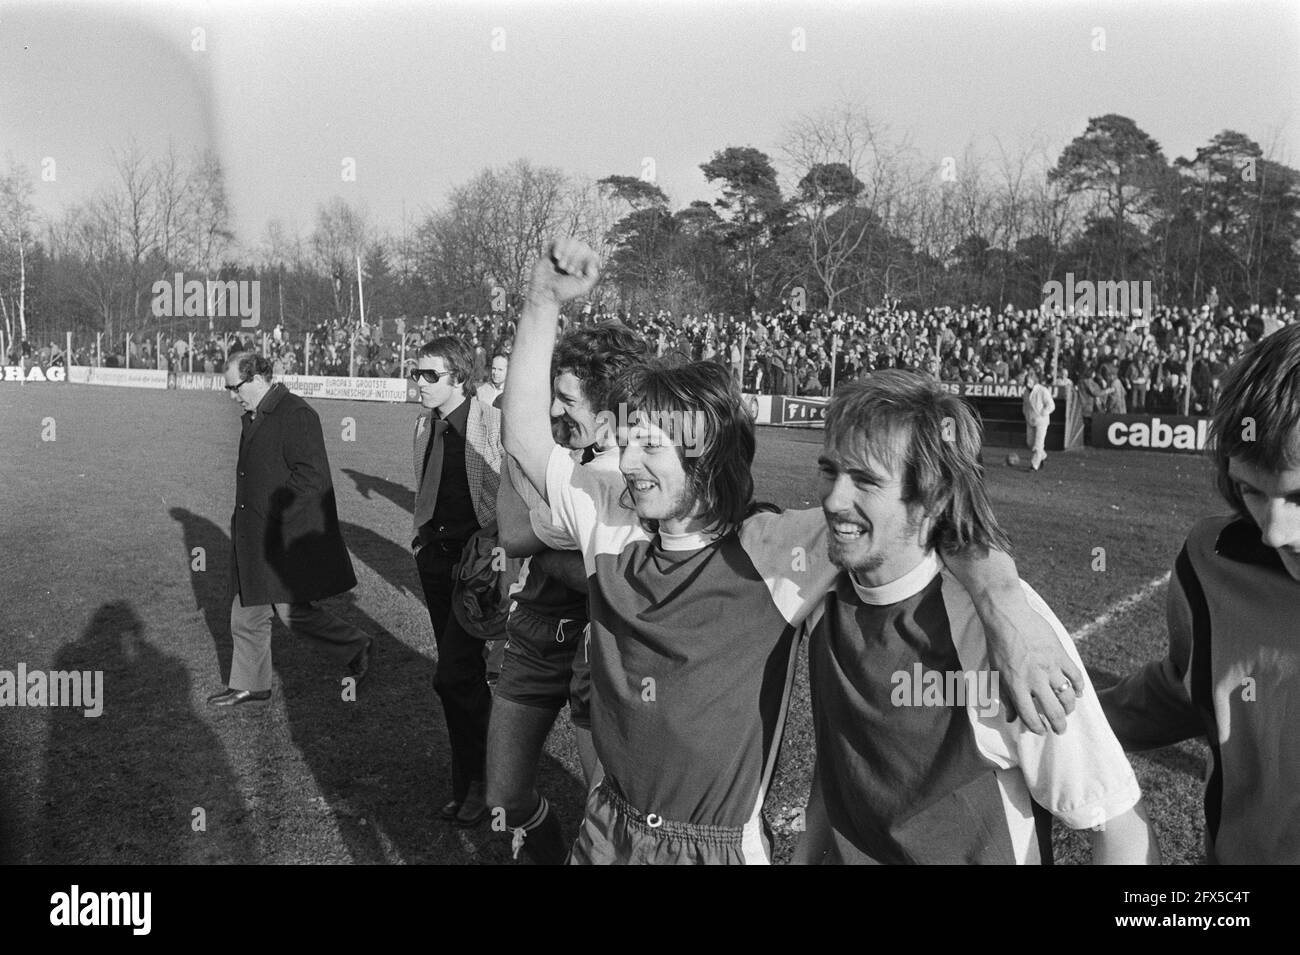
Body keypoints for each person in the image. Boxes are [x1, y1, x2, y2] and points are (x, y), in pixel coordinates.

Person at [504, 238, 1082, 865]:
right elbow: (528, 441)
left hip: (711, 849)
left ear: (705, 456)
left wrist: (1005, 606)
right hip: (605, 822)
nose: (628, 462)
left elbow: (922, 516)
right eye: (626, 441)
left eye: (651, 444)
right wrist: (541, 302)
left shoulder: (777, 549)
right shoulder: (606, 512)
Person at [793, 372, 1159, 864]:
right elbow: (838, 771)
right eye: (829, 470)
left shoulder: (1003, 635)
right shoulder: (817, 588)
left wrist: (1002, 597)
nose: (835, 500)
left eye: (865, 480)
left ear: (933, 499)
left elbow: (1117, 825)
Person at [1100, 323, 1300, 863]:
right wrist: (1071, 724)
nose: (1275, 532)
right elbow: (1188, 687)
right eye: (1252, 490)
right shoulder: (1214, 561)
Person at [488, 322, 648, 864]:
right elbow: (523, 537)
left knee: (606, 812)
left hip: (601, 647)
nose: (555, 412)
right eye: (552, 397)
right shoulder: (571, 461)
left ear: (610, 406)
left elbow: (513, 534)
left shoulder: (620, 473)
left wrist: (517, 453)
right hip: (538, 630)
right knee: (504, 797)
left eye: (567, 399)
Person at [208, 354, 374, 707]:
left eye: (234, 387)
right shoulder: (256, 415)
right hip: (254, 534)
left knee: (289, 611)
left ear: (256, 379)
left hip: (280, 536)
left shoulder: (296, 414)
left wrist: (275, 515)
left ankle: (355, 644)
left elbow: (312, 478)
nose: (231, 395)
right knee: (247, 608)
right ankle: (251, 683)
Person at [410, 337, 502, 826]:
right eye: (417, 373)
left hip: (476, 569)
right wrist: (422, 541)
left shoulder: (491, 425)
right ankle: (472, 782)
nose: (419, 383)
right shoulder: (427, 422)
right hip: (435, 563)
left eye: (430, 376)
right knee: (460, 677)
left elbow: (513, 492)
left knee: (453, 676)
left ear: (460, 378)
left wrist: (495, 553)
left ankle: (485, 783)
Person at [1021, 369, 1056, 471]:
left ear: (1034, 380)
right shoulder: (1025, 392)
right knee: (1030, 442)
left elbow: (1051, 405)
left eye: (1030, 380)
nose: (1028, 383)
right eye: (1027, 381)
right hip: (1030, 420)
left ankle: (1034, 465)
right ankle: (1042, 456)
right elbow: (1025, 405)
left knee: (1038, 444)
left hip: (1041, 421)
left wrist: (1043, 413)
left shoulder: (1042, 390)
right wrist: (1026, 414)